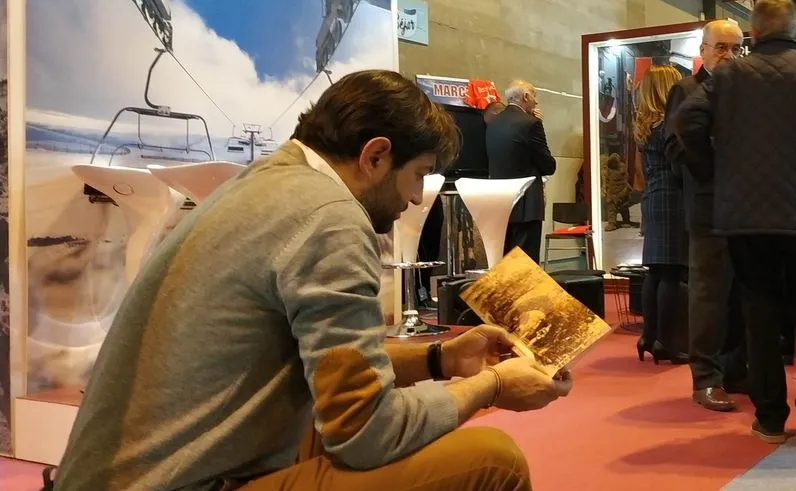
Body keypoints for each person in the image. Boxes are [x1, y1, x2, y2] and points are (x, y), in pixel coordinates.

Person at [49, 70, 573, 491]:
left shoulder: (268, 182)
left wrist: (443, 359)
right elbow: (366, 433)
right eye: (418, 175)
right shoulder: (330, 218)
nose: (417, 199)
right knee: (494, 464)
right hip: (189, 478)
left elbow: (323, 366)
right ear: (375, 156)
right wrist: (492, 386)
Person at [673, 0, 796, 444]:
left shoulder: (730, 76)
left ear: (752, 34)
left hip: (747, 219)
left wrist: (716, 170)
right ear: (795, 32)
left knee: (759, 315)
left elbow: (685, 124)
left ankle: (771, 419)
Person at [665, 19, 746, 411]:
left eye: (735, 47)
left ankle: (734, 370)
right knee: (709, 294)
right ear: (703, 49)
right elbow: (673, 147)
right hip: (708, 207)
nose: (728, 55)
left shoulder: (748, 91)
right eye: (721, 47)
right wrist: (712, 170)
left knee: (740, 294)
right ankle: (706, 378)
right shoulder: (685, 90)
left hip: (746, 208)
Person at [634, 64, 689, 365]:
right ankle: (666, 341)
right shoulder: (668, 124)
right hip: (672, 198)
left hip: (653, 198)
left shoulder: (644, 126)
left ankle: (648, 335)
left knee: (655, 272)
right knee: (671, 273)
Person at [486, 80, 557, 263]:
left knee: (505, 261)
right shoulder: (531, 124)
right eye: (534, 97)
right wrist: (536, 121)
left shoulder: (493, 124)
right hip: (527, 206)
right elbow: (548, 165)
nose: (536, 103)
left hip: (500, 204)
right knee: (525, 263)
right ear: (525, 96)